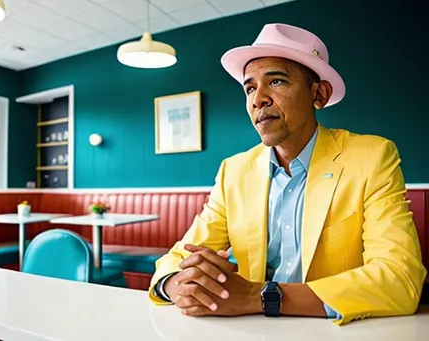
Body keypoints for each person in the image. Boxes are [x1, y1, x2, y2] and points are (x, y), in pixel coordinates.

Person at [148, 23, 427, 325]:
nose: (258, 99)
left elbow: (401, 279)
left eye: (277, 82)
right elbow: (178, 259)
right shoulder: (234, 171)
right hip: (250, 329)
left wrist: (258, 296)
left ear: (319, 94)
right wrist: (178, 285)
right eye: (250, 87)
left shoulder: (372, 157)